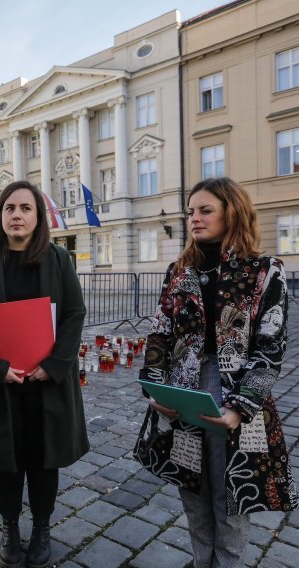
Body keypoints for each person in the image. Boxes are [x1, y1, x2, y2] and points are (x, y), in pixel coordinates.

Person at [138, 177, 297, 568]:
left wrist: (240, 408)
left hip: (238, 394)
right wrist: (155, 389)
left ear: (232, 212)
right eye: (191, 211)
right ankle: (199, 560)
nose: (194, 218)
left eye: (205, 210)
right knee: (193, 488)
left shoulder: (265, 271)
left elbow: (270, 347)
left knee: (231, 496)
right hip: (185, 390)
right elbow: (160, 332)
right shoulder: (180, 270)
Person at [0, 181, 89, 568]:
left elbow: (73, 314)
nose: (17, 215)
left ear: (38, 216)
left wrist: (52, 366)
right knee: (7, 462)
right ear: (1, 217)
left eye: (26, 208)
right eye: (10, 208)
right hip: (4, 384)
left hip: (46, 382)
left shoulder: (58, 260)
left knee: (42, 459)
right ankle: (10, 528)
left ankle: (42, 528)